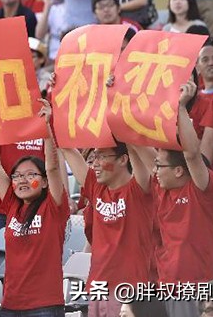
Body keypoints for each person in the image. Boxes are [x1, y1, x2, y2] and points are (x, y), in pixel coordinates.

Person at [59, 110, 156, 316]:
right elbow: (67, 149)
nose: (94, 164)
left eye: (101, 157)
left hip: (131, 290)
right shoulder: (96, 188)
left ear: (123, 160)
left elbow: (140, 158)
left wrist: (123, 124)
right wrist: (54, 115)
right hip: (98, 288)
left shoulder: (138, 189)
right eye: (94, 157)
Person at [0, 101, 69, 316]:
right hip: (11, 306)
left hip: (45, 306)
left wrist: (47, 129)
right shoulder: (11, 204)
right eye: (18, 176)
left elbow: (53, 166)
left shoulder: (54, 207)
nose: (23, 181)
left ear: (45, 182)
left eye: (31, 175)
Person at [152, 82, 213, 314]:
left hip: (198, 289)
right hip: (165, 289)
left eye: (159, 166)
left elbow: (192, 154)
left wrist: (181, 107)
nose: (154, 171)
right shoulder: (162, 188)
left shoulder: (204, 190)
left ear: (178, 171)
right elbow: (134, 144)